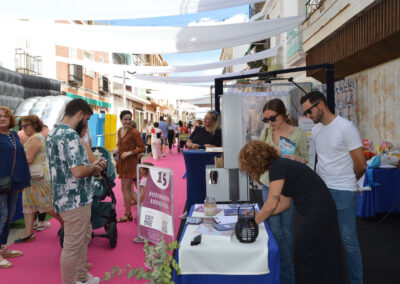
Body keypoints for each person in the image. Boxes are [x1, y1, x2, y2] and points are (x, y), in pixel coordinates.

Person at [239, 141, 344, 283]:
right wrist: (256, 216)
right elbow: (284, 204)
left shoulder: (278, 167)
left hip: (318, 210)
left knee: (305, 252)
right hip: (320, 209)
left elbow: (271, 204)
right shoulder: (280, 165)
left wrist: (253, 221)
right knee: (316, 251)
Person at [300, 91, 366, 284]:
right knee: (323, 239)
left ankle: (356, 281)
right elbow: (314, 161)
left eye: (309, 112)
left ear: (320, 105)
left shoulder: (346, 127)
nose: (307, 116)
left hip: (344, 192)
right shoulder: (317, 130)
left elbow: (361, 164)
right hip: (322, 192)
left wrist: (346, 180)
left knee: (348, 241)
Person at [46, 99, 106, 284]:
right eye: (87, 120)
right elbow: (78, 171)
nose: (86, 125)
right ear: (80, 114)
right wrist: (94, 168)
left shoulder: (53, 133)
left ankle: (81, 277)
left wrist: (90, 165)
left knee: (83, 236)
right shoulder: (70, 136)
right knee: (72, 245)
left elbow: (65, 167)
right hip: (75, 200)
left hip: (64, 198)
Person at [259, 99, 308, 284]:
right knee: (273, 230)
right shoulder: (266, 132)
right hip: (268, 184)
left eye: (272, 118)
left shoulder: (299, 134)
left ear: (283, 114)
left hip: (288, 187)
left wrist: (294, 159)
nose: (270, 122)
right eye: (266, 119)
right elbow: (261, 158)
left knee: (286, 232)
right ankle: (276, 273)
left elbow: (306, 160)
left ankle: (287, 275)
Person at [15, 115, 63, 243]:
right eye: (22, 126)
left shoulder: (36, 138)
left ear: (34, 125)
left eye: (26, 126)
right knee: (28, 205)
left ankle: (66, 225)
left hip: (38, 179)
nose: (23, 128)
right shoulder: (34, 138)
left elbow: (28, 159)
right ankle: (28, 232)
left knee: (47, 206)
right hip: (32, 178)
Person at [0, 106, 30, 269]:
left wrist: (24, 180)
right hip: (0, 181)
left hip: (14, 181)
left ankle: (3, 247)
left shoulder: (13, 135)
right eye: (0, 116)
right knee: (2, 215)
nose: (3, 118)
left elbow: (21, 158)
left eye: (6, 116)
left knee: (10, 215)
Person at [113, 110, 145, 223]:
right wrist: (117, 149)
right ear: (121, 119)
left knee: (126, 188)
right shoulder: (120, 130)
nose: (127, 121)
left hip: (131, 162)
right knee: (125, 188)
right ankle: (135, 211)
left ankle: (130, 213)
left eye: (129, 119)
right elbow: (119, 144)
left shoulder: (134, 132)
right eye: (125, 119)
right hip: (122, 162)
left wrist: (130, 152)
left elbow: (142, 147)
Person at [133, 162, 154, 244]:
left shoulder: (144, 181)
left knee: (142, 220)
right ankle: (149, 234)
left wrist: (139, 203)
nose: (140, 171)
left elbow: (143, 194)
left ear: (145, 171)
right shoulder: (152, 179)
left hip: (144, 204)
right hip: (150, 202)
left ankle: (142, 236)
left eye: (141, 169)